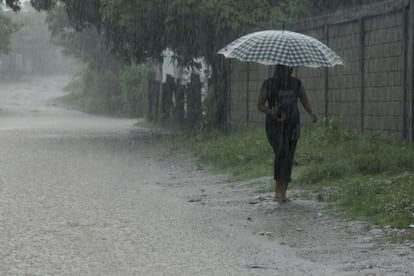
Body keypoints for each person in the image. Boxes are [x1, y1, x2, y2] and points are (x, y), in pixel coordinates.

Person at [257, 65, 317, 203]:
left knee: (289, 156)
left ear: (291, 69)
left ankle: (283, 192)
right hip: (274, 126)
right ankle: (278, 191)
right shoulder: (268, 83)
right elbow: (260, 104)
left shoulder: (296, 83)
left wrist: (311, 112)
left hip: (292, 125)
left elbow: (303, 100)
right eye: (281, 68)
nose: (284, 70)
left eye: (287, 68)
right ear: (277, 68)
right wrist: (270, 111)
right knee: (281, 153)